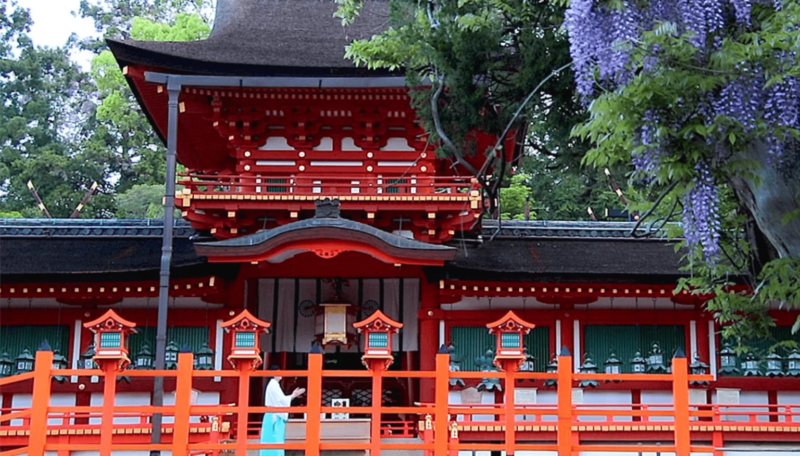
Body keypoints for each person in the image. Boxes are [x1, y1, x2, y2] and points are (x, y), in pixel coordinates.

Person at [260, 366, 305, 456]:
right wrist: (293, 395)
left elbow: (281, 399)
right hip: (274, 416)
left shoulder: (273, 384)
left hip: (273, 415)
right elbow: (282, 400)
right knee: (274, 439)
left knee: (273, 439)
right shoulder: (273, 384)